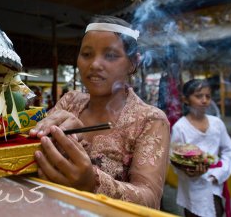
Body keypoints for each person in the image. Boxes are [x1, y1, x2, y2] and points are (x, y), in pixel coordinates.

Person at [29, 15, 170, 209]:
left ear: (132, 63)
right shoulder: (70, 102)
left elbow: (150, 199)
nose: (94, 64)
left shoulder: (150, 120)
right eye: (86, 54)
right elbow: (32, 153)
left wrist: (93, 182)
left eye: (110, 55)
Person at [171, 79, 231, 217]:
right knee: (194, 212)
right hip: (192, 185)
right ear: (185, 99)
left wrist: (218, 173)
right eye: (199, 96)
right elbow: (174, 158)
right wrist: (187, 170)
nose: (204, 100)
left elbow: (230, 150)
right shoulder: (180, 127)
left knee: (217, 210)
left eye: (208, 96)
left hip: (214, 181)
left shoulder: (217, 124)